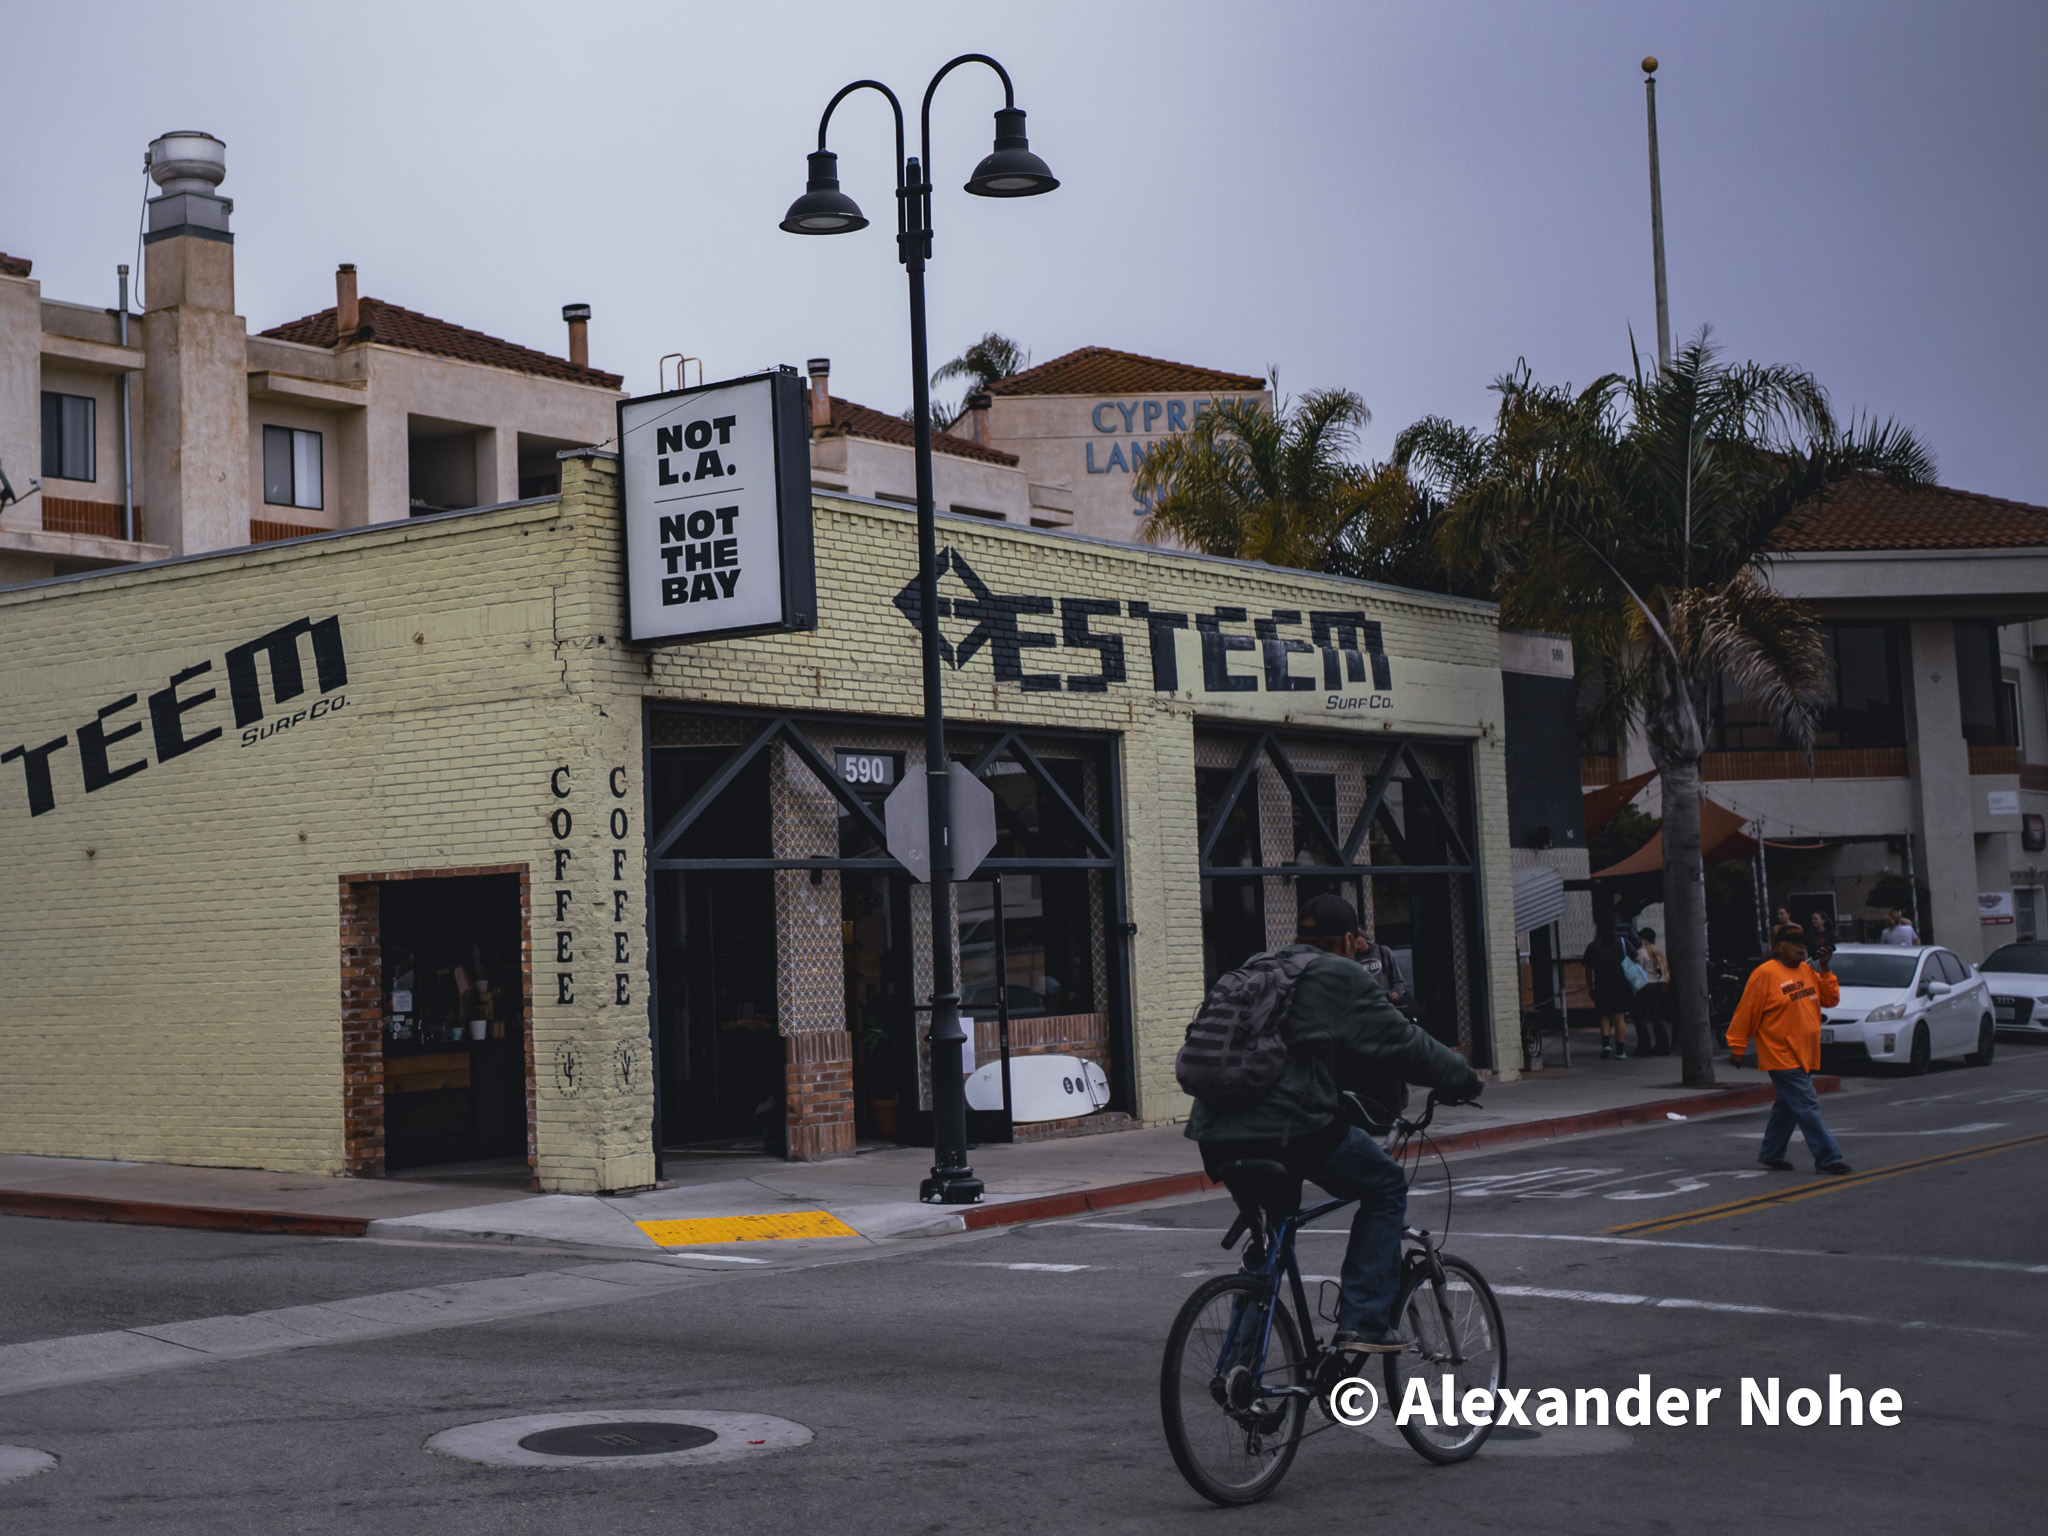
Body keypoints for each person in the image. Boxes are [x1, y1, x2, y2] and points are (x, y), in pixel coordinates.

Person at [1189, 893, 1482, 1355]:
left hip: (1214, 1132)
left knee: (1269, 1242)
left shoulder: (1259, 967)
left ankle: (1240, 1379)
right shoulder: (1336, 973)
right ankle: (1363, 1323)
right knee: (1385, 1185)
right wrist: (1465, 1078)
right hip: (1288, 1130)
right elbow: (1403, 1043)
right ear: (1348, 940)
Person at [1725, 923, 1851, 1175]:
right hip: (1781, 1053)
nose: (1801, 947)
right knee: (1806, 1104)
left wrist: (1824, 968)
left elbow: (1830, 999)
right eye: (1794, 943)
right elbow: (1745, 1012)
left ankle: (1771, 1153)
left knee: (1788, 1106)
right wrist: (1737, 1046)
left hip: (1805, 1053)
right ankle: (1828, 1158)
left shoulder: (1807, 971)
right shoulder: (1765, 974)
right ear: (1779, 947)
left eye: (1803, 943)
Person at [1583, 923, 1633, 1060]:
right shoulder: (1622, 943)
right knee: (1619, 1016)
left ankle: (1606, 1046)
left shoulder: (1593, 946)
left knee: (1604, 1015)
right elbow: (1636, 957)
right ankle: (1620, 1051)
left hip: (1601, 986)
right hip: (1621, 986)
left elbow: (1588, 968)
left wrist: (1589, 986)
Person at [1634, 926, 1671, 1056]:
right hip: (1656, 986)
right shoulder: (1658, 952)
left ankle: (1644, 1046)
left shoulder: (1641, 953)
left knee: (1640, 1017)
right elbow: (1664, 971)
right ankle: (1663, 1044)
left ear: (1643, 939)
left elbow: (1638, 972)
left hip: (1644, 986)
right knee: (1656, 1017)